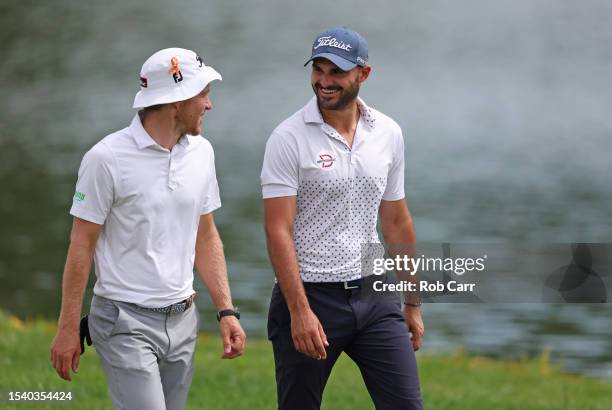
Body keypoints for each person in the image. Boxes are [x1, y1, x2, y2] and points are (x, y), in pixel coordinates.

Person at [50, 48, 246, 410]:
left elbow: (206, 234)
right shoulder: (106, 159)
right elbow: (81, 245)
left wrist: (227, 311)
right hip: (123, 321)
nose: (209, 104)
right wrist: (66, 328)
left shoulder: (202, 153)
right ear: (176, 101)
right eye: (203, 94)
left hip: (183, 320)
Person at [261, 28, 424, 409]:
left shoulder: (387, 132)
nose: (325, 81)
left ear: (363, 74)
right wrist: (299, 312)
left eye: (336, 72)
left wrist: (412, 303)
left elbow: (396, 220)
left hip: (375, 293)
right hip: (309, 295)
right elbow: (277, 229)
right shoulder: (287, 138)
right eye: (318, 70)